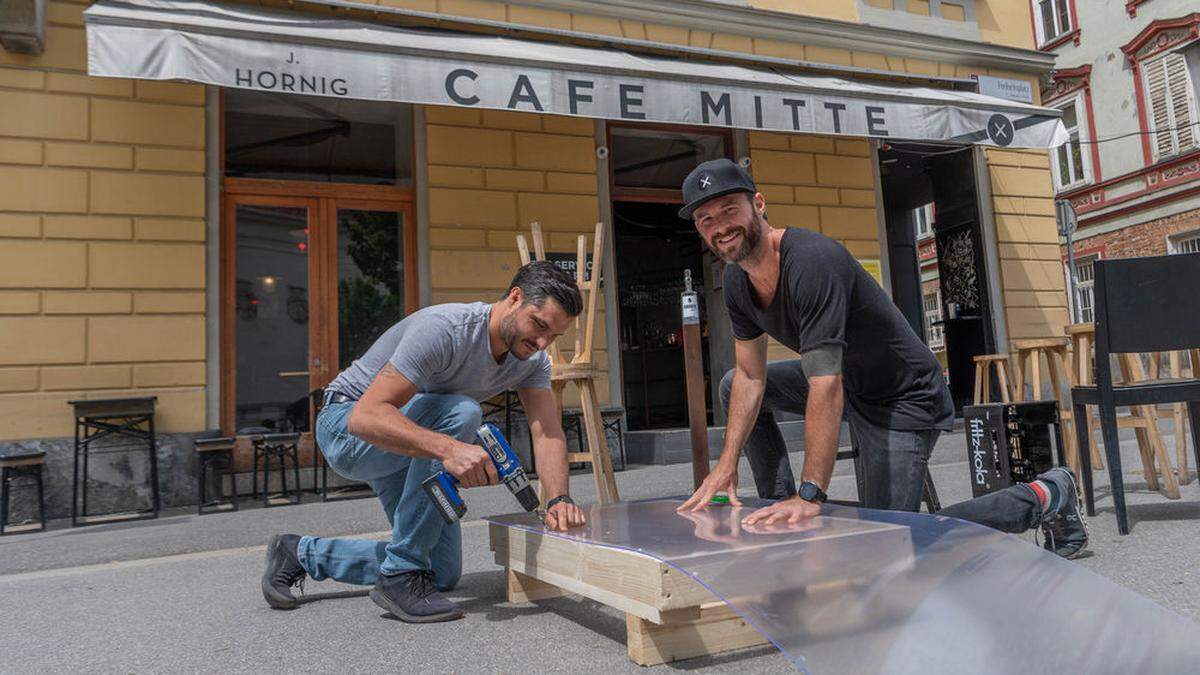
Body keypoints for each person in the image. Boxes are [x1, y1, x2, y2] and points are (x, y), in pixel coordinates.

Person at [676, 158, 1088, 559]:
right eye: (706, 219)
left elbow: (825, 382)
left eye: (729, 210)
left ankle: (1046, 493)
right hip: (851, 384)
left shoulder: (811, 261)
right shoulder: (736, 281)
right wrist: (725, 465)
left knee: (886, 543)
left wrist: (811, 494)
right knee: (734, 383)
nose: (721, 226)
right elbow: (751, 376)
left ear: (759, 205)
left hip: (903, 396)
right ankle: (776, 506)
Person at [262, 261, 588, 622]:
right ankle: (400, 574)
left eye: (554, 336)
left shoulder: (532, 361)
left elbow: (547, 432)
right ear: (514, 298)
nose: (542, 343)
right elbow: (365, 417)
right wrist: (450, 449)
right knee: (462, 413)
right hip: (346, 427)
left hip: (411, 443)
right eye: (539, 325)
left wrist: (558, 498)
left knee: (441, 571)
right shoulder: (446, 330)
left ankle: (301, 553)